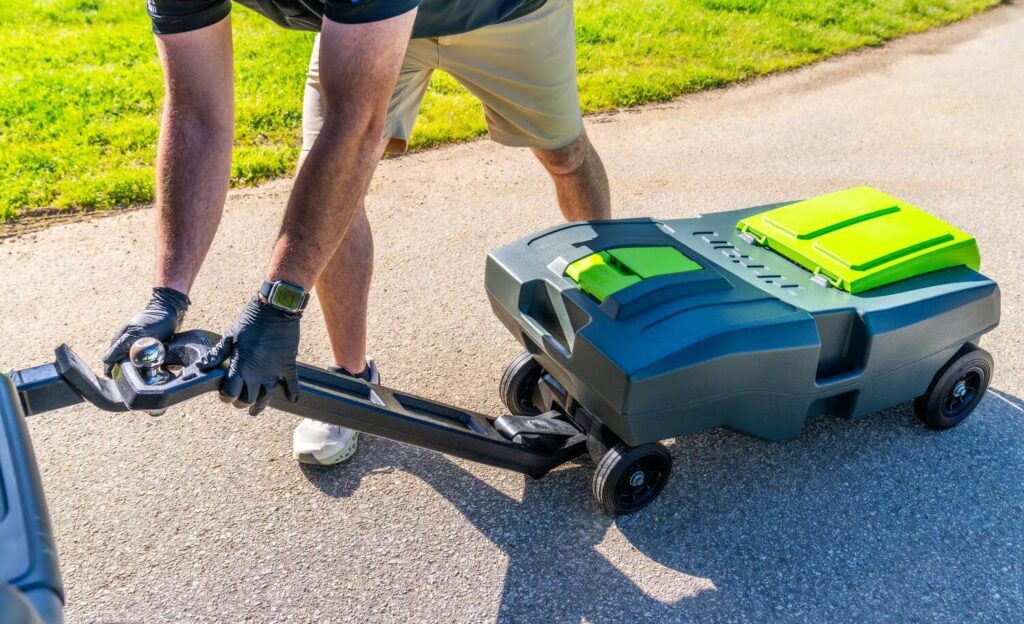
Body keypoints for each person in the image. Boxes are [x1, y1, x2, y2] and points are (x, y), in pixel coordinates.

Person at [105, 0, 609, 466]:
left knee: (565, 154)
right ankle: (351, 380)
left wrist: (278, 304)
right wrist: (168, 294)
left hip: (504, 12)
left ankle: (610, 332)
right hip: (372, 26)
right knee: (328, 187)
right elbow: (197, 116)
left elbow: (357, 126)